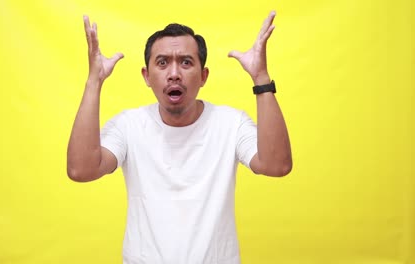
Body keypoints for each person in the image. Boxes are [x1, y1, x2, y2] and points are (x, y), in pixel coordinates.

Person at [67, 11, 292, 264]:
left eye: (186, 62)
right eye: (162, 63)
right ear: (146, 76)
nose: (174, 73)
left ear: (204, 75)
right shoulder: (128, 126)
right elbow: (81, 170)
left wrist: (261, 79)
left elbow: (277, 165)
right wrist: (93, 82)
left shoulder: (231, 123)